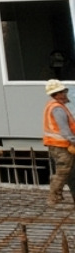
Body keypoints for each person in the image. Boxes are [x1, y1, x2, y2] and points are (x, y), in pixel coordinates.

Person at [45, 78, 74, 207]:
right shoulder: (57, 108)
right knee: (63, 171)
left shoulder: (55, 106)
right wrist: (73, 141)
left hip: (58, 145)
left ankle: (56, 192)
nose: (65, 93)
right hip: (60, 145)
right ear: (57, 94)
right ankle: (53, 197)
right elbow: (65, 130)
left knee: (64, 171)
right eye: (63, 91)